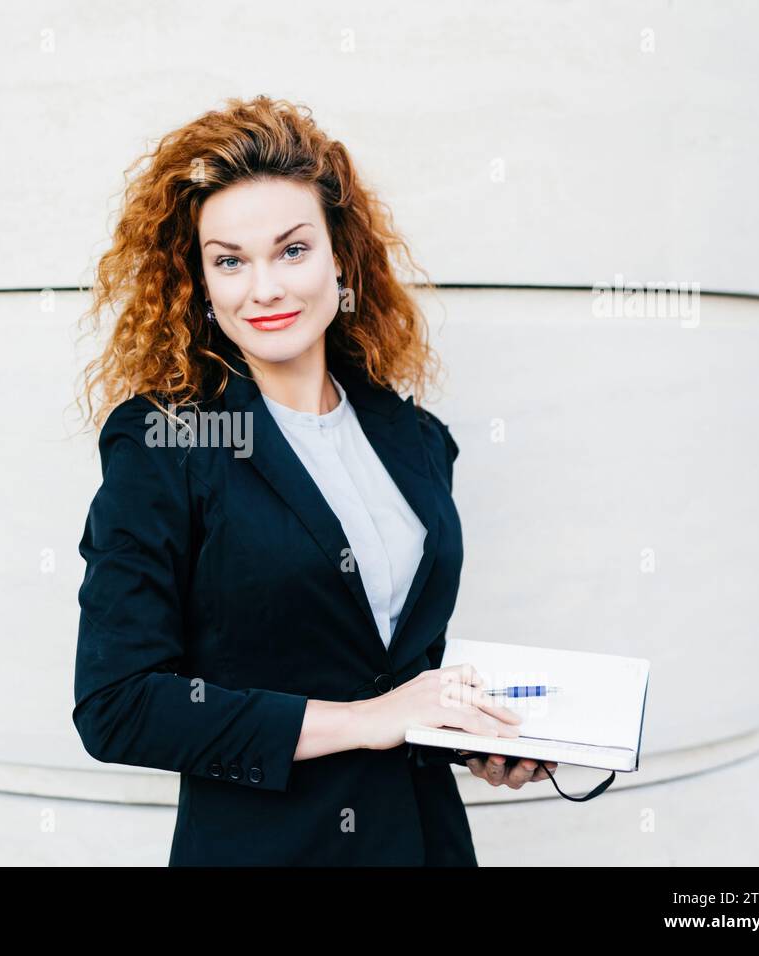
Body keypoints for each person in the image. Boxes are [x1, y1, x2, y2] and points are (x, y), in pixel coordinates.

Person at [71, 95, 556, 866]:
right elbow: (118, 706)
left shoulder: (417, 440)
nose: (263, 288)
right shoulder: (166, 440)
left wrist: (465, 736)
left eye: (292, 250)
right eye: (229, 260)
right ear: (199, 281)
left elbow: (395, 665)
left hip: (426, 844)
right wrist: (370, 719)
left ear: (340, 258)